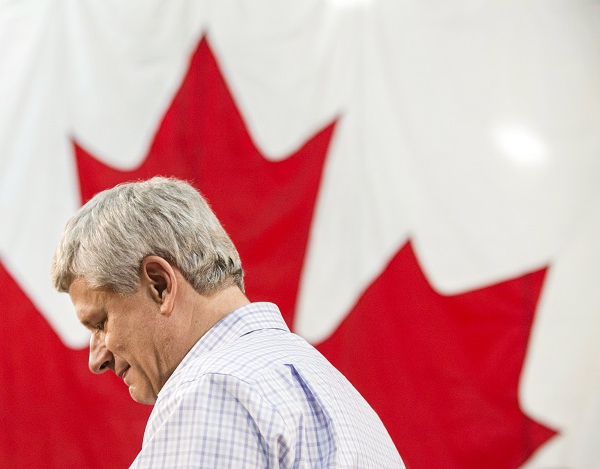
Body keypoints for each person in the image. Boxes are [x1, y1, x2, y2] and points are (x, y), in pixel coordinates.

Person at [51, 177, 404, 468]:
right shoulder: (330, 389)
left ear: (160, 284)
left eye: (100, 322)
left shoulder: (213, 393)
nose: (96, 359)